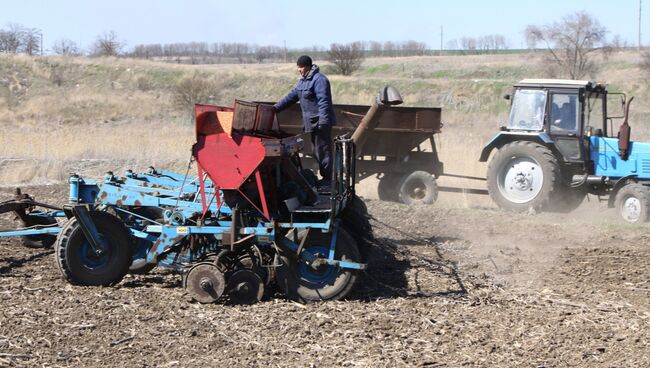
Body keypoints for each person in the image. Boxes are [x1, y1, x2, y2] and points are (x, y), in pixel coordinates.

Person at [274, 55, 336, 186]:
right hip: (312, 123)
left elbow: (324, 102)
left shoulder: (319, 80)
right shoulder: (303, 81)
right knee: (317, 151)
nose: (299, 70)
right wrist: (275, 108)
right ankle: (326, 178)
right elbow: (291, 96)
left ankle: (328, 180)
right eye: (298, 67)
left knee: (323, 150)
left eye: (300, 67)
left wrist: (324, 121)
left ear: (307, 66)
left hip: (320, 122)